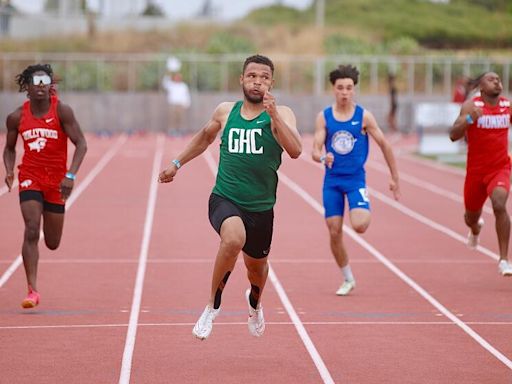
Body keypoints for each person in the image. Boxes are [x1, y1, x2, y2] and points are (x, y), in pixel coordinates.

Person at [158, 54, 301, 339]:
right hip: (225, 198)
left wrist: (274, 118)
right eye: (252, 76)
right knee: (233, 238)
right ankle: (212, 306)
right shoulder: (226, 111)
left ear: (271, 82)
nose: (257, 82)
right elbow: (203, 138)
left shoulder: (282, 113)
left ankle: (255, 304)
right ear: (242, 79)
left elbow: (296, 150)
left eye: (263, 77)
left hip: (261, 208)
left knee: (256, 269)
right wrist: (176, 164)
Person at [2, 64, 87, 308]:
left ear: (50, 86)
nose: (40, 87)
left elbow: (81, 143)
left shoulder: (62, 111)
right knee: (31, 229)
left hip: (56, 181)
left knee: (52, 241)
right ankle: (32, 290)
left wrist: (70, 176)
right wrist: (9, 170)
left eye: (44, 82)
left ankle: (34, 284)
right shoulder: (17, 116)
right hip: (30, 176)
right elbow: (9, 148)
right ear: (26, 87)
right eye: (35, 83)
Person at [312, 65, 400, 296]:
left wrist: (394, 178)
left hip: (355, 180)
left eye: (349, 88)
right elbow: (314, 150)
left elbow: (385, 145)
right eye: (340, 88)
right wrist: (323, 156)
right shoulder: (325, 117)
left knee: (360, 225)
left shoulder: (363, 116)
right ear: (333, 89)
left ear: (354, 90)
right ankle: (347, 278)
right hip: (332, 181)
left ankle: (361, 206)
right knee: (334, 231)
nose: (344, 92)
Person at [449, 71, 512, 276]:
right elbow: (453, 135)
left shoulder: (507, 106)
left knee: (499, 204)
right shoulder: (471, 106)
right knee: (471, 216)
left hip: (500, 168)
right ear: (481, 87)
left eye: (498, 79)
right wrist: (469, 119)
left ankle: (504, 259)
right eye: (491, 79)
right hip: (476, 172)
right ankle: (475, 229)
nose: (497, 81)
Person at [161, 71, 191, 136]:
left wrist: (187, 103)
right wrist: (168, 74)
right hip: (173, 104)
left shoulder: (183, 85)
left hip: (181, 104)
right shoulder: (171, 85)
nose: (177, 78)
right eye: (176, 77)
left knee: (181, 118)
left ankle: (182, 130)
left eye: (179, 77)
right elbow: (164, 84)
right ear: (174, 78)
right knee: (172, 118)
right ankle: (172, 131)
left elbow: (186, 95)